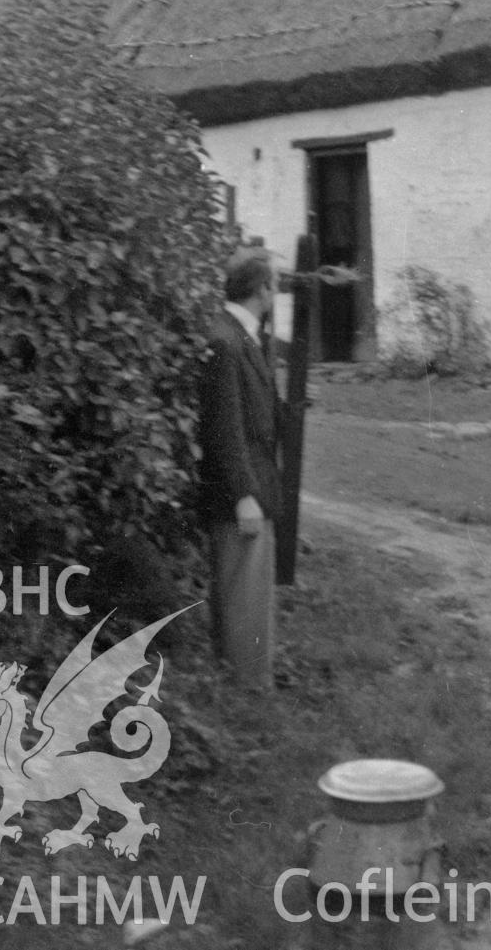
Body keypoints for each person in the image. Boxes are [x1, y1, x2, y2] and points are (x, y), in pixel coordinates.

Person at [199, 247, 284, 691]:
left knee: (251, 593)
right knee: (242, 594)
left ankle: (251, 680)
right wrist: (243, 495)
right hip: (240, 495)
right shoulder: (225, 342)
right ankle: (246, 689)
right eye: (273, 286)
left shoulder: (241, 336)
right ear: (262, 290)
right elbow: (224, 429)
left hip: (253, 487)